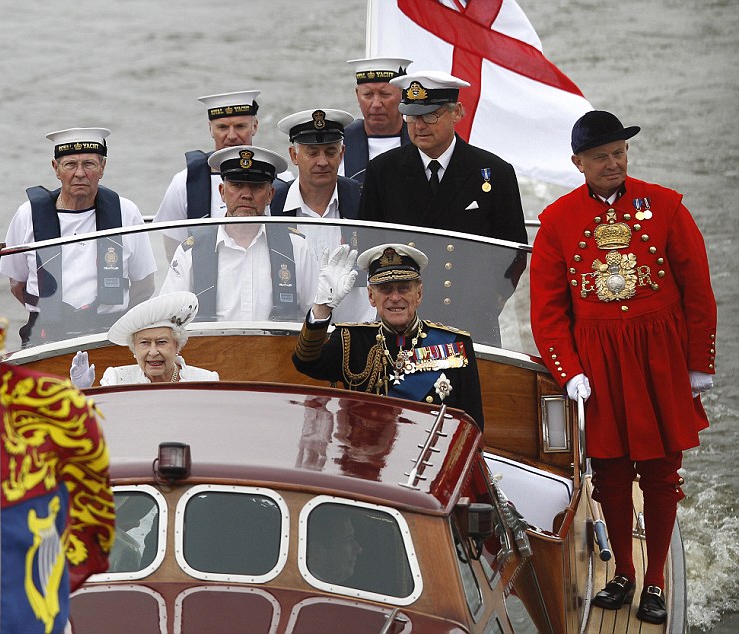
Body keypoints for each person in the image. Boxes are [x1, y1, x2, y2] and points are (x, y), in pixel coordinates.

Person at [530, 111, 717, 625]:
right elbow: (547, 309)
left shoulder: (667, 206)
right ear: (578, 163)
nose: (612, 163)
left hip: (659, 358)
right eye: (600, 157)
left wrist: (697, 363)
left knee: (661, 472)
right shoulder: (556, 221)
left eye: (618, 153)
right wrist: (569, 370)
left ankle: (655, 578)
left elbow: (698, 289)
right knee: (611, 473)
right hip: (599, 363)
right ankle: (623, 574)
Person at [293, 243, 484, 428]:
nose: (394, 297)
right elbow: (306, 361)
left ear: (419, 294)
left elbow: (472, 425)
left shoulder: (454, 345)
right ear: (371, 296)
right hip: (368, 455)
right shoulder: (351, 339)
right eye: (385, 289)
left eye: (403, 288)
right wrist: (322, 307)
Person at [0, 128, 156, 345]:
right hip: (45, 333)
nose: (80, 173)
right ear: (56, 168)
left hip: (109, 334)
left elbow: (144, 284)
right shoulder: (28, 215)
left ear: (102, 167)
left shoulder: (125, 212)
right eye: (70, 164)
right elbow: (17, 283)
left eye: (89, 164)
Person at [358, 71, 527, 244]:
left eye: (430, 116)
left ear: (457, 112)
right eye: (412, 116)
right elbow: (368, 243)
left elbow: (512, 250)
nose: (419, 126)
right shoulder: (382, 170)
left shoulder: (496, 172)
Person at [160, 145, 317, 322]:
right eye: (237, 185)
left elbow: (314, 315)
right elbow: (168, 319)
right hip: (210, 349)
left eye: (256, 186)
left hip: (278, 348)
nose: (246, 195)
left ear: (270, 195)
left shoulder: (296, 248)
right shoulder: (191, 251)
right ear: (222, 192)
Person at [155, 90, 287, 259]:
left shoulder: (282, 181)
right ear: (210, 129)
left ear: (255, 126)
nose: (231, 136)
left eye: (240, 126)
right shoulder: (184, 183)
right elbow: (174, 249)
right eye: (222, 127)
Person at [272, 108, 372, 322]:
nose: (322, 161)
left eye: (330, 152)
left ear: (342, 153)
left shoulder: (364, 203)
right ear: (293, 156)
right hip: (290, 334)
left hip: (354, 332)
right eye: (312, 152)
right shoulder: (272, 208)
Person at [68, 291, 218, 387]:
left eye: (161, 342)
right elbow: (99, 424)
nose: (153, 352)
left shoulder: (206, 380)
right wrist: (81, 393)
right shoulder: (116, 379)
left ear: (177, 345)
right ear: (134, 348)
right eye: (145, 343)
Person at [342, 57, 412, 182]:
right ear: (357, 95)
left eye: (385, 94)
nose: (376, 104)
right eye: (367, 95)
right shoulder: (338, 148)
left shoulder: (422, 144)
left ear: (403, 94)